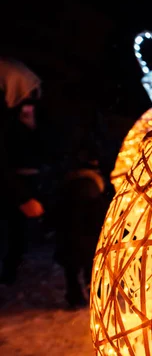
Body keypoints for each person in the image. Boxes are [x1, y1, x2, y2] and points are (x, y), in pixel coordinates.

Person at [0, 57, 45, 285]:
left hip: (22, 177)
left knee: (17, 231)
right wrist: (22, 196)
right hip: (15, 183)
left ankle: (11, 269)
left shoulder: (15, 113)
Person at [51, 139, 109, 308]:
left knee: (72, 266)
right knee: (89, 265)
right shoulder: (91, 186)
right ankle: (93, 294)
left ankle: (75, 295)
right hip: (86, 235)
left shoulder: (69, 184)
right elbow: (98, 212)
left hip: (69, 234)